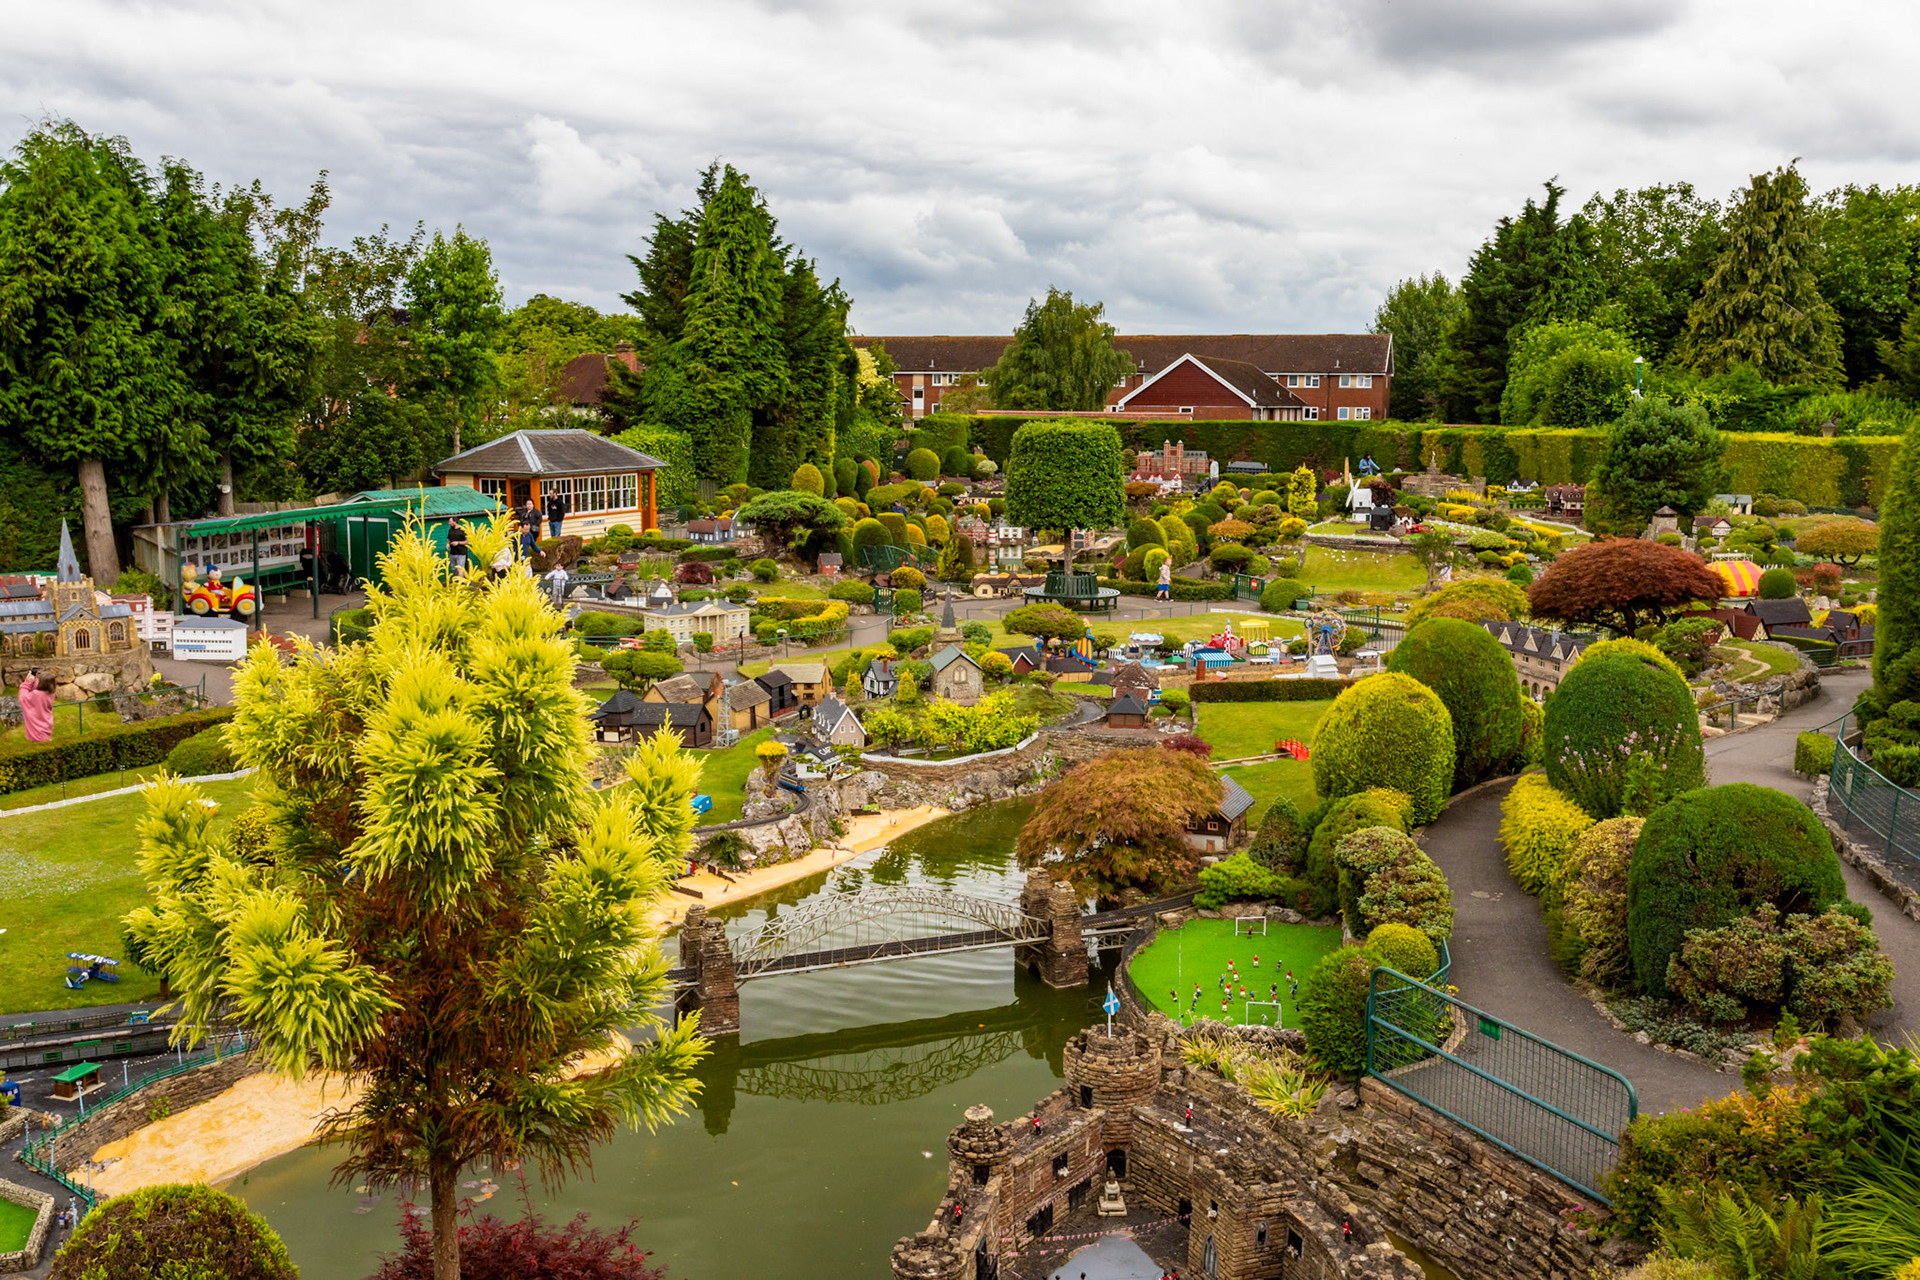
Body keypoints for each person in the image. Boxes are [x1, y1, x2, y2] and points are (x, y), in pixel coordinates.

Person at [19, 671, 54, 744]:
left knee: (42, 748)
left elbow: (23, 698)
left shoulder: (37, 695)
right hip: (46, 726)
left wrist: (28, 682)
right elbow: (38, 689)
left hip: (37, 730)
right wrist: (34, 681)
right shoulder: (51, 693)